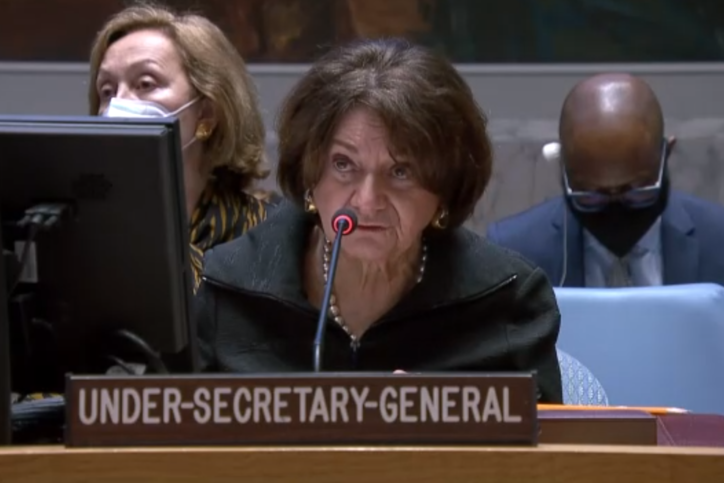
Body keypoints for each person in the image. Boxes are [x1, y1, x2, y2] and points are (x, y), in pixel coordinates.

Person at [195, 38, 563, 403]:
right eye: (343, 165)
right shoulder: (229, 288)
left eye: (400, 171)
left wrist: (444, 423)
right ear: (309, 176)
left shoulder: (509, 301)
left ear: (445, 190)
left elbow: (550, 439)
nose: (367, 201)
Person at [88, 1, 273, 291]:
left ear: (206, 114)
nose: (118, 104)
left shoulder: (268, 233)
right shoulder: (82, 228)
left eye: (145, 84)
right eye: (107, 91)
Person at [487, 73, 724, 288]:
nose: (617, 214)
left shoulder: (718, 238)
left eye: (637, 191)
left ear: (666, 154)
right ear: (563, 166)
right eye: (591, 195)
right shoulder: (513, 254)